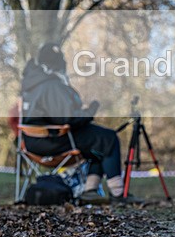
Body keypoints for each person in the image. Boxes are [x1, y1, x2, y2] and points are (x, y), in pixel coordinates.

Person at [20, 42, 142, 204]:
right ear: (57, 64)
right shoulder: (51, 85)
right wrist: (90, 111)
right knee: (109, 138)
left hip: (32, 142)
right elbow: (68, 118)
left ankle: (90, 191)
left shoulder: (31, 84)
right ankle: (118, 193)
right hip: (52, 141)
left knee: (99, 144)